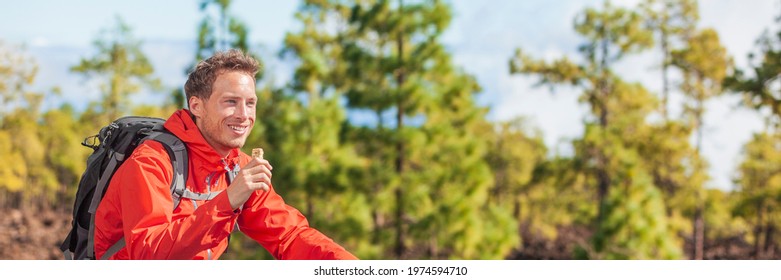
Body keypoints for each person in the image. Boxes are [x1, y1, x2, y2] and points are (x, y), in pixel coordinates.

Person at [93, 49, 357, 260]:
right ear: (196, 105)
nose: (244, 115)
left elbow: (289, 236)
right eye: (231, 102)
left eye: (250, 103)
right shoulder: (152, 162)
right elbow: (147, 255)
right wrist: (229, 200)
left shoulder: (236, 167)